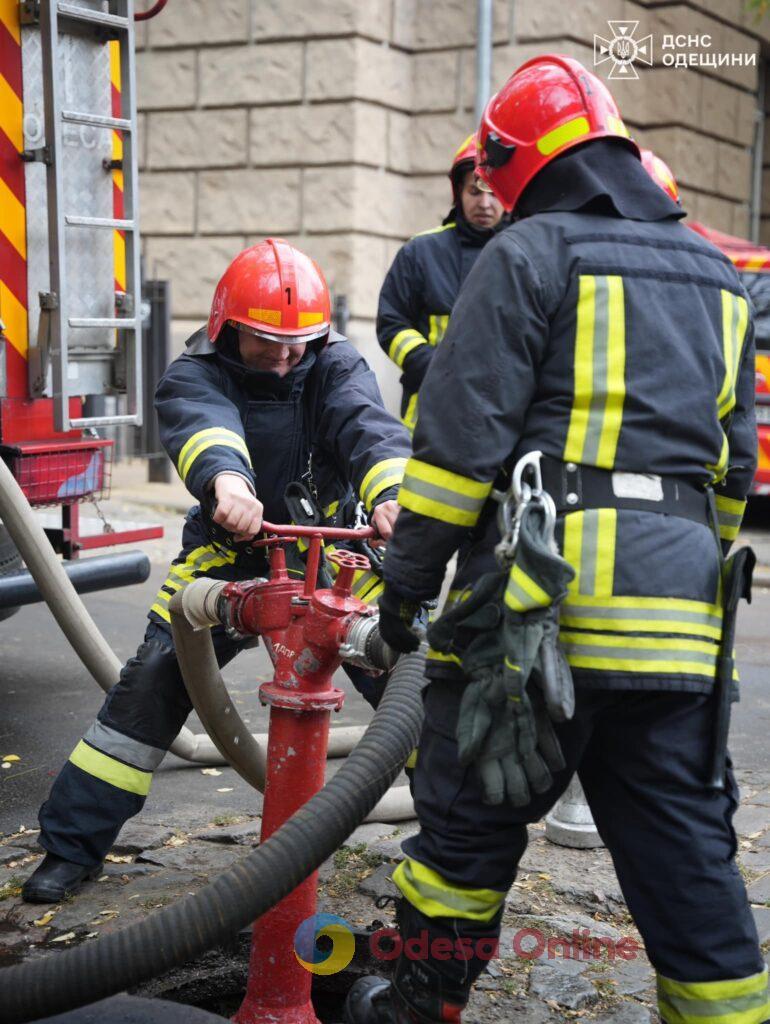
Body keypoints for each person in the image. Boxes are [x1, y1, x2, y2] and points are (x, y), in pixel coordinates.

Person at [347, 56, 766, 1024]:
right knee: (685, 856)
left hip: (534, 622)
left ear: (515, 157)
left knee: (463, 839)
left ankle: (416, 1005)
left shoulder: (527, 255)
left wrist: (403, 594)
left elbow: (456, 453)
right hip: (678, 631)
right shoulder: (714, 272)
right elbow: (732, 472)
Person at [23, 239, 411, 904]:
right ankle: (70, 846)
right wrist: (227, 483)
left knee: (416, 674)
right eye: (267, 343)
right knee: (149, 686)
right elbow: (207, 429)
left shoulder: (335, 361)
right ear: (227, 329)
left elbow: (366, 426)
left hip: (338, 557)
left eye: (301, 344)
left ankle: (454, 846)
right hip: (230, 560)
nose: (288, 358)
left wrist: (391, 493)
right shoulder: (193, 373)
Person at [377, 134, 505, 433]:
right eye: (474, 191)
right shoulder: (421, 251)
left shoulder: (526, 251)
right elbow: (391, 323)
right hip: (429, 413)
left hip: (502, 412)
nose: (484, 203)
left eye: (493, 192)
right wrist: (433, 366)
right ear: (458, 191)